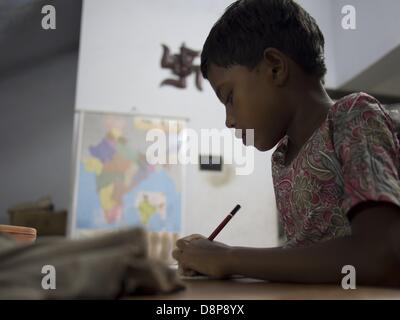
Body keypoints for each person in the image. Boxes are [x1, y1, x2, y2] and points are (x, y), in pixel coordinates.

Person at [172, 0, 400, 286]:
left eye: (229, 97)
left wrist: (228, 258)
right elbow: (305, 256)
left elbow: (382, 254)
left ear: (275, 68)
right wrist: (214, 257)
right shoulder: (282, 157)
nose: (229, 121)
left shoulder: (353, 116)